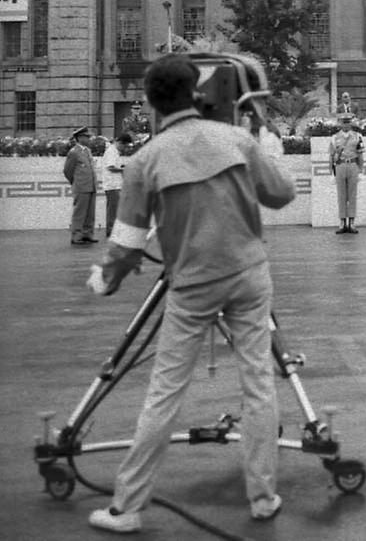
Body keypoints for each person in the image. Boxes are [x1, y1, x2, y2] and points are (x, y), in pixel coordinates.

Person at [85, 54, 296, 533]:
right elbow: (281, 193)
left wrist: (105, 279)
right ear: (196, 93)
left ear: (149, 102)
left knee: (163, 393)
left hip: (192, 285)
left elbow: (128, 244)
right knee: (259, 383)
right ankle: (263, 497)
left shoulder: (144, 161)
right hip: (248, 275)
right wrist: (262, 144)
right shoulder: (236, 138)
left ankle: (128, 508)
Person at [329, 114, 363, 234]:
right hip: (340, 166)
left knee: (352, 195)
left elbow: (360, 154)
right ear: (340, 123)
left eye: (348, 122)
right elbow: (331, 156)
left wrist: (361, 171)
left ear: (351, 123)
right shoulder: (334, 137)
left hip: (353, 165)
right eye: (344, 122)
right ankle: (342, 222)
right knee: (341, 195)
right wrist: (331, 173)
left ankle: (352, 222)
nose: (346, 124)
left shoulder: (357, 136)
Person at [64, 126, 97, 246]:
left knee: (90, 213)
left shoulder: (87, 151)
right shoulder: (74, 152)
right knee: (80, 213)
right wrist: (76, 182)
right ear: (79, 138)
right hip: (81, 187)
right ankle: (76, 236)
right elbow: (67, 171)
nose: (89, 138)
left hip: (91, 186)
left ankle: (87, 235)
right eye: (86, 136)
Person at [100, 132, 132, 238]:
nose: (126, 149)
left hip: (115, 185)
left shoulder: (115, 152)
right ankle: (111, 231)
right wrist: (123, 169)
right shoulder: (111, 152)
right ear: (120, 143)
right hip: (112, 186)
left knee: (115, 209)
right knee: (113, 210)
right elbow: (111, 167)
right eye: (126, 146)